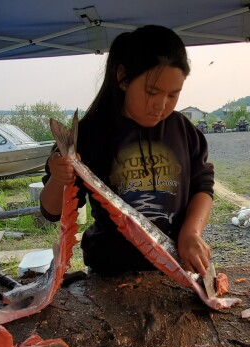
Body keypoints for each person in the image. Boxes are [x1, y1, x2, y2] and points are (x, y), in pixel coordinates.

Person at [39, 25, 215, 277]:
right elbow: (52, 211)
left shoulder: (182, 129)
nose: (161, 105)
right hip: (110, 273)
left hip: (176, 268)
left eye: (173, 95)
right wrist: (58, 178)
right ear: (123, 77)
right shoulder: (90, 134)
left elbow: (202, 185)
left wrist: (191, 233)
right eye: (152, 92)